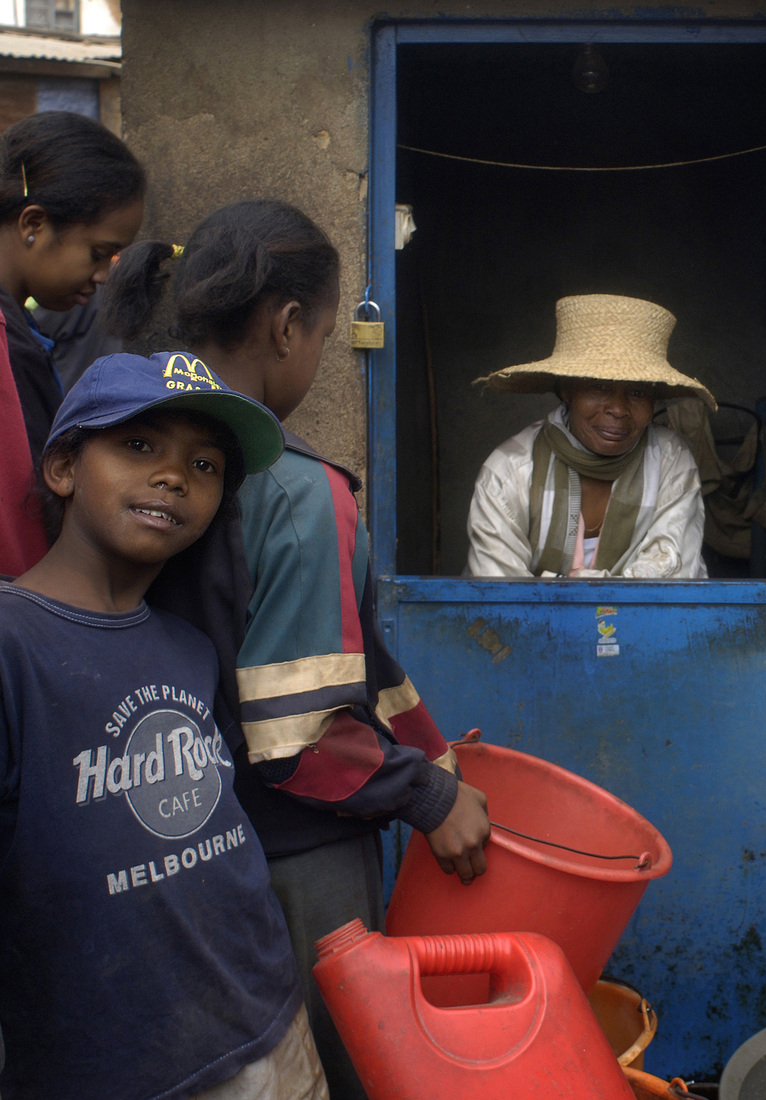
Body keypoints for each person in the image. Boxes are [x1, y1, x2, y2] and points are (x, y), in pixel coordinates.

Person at [102, 200, 491, 1100]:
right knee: (326, 1062)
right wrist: (430, 794)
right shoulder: (297, 486)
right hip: (288, 854)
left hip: (155, 831)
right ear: (286, 327)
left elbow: (352, 665)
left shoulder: (120, 444)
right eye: (321, 336)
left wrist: (428, 749)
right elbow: (300, 736)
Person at [0, 351, 326, 1099]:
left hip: (268, 1024)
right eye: (139, 446)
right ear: (62, 468)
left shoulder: (186, 648)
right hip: (119, 1070)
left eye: (205, 465)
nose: (175, 477)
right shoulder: (14, 644)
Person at [465, 293, 712, 579]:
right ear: (567, 391)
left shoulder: (671, 461)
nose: (619, 410)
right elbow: (501, 599)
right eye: (599, 387)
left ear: (653, 401)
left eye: (637, 392)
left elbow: (670, 583)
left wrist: (573, 587)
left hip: (645, 624)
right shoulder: (509, 472)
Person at [0, 110, 144, 576]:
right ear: (33, 225)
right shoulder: (6, 344)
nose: (103, 276)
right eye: (97, 253)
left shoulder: (20, 327)